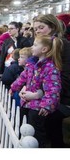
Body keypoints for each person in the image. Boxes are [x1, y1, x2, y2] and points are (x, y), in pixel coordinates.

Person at [10, 35, 63, 147]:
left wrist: (47, 105)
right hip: (27, 102)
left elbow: (53, 88)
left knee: (36, 132)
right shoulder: (31, 64)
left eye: (35, 45)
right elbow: (22, 78)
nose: (32, 47)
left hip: (38, 107)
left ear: (44, 49)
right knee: (25, 126)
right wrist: (13, 87)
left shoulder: (50, 67)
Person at [33, 14, 70, 148]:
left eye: (41, 27)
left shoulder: (63, 44)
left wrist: (44, 94)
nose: (37, 31)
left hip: (63, 97)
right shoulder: (43, 45)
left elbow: (66, 77)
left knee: (43, 115)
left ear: (52, 27)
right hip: (51, 92)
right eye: (35, 29)